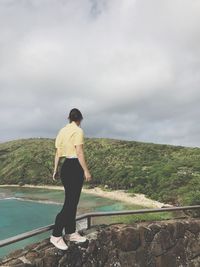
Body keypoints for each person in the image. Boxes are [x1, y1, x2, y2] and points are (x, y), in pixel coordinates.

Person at [50, 108, 92, 250]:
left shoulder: (62, 131)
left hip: (65, 167)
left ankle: (70, 232)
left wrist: (55, 170)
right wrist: (86, 170)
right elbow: (79, 151)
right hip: (74, 167)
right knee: (70, 204)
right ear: (80, 119)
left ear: (69, 118)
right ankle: (56, 235)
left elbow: (57, 153)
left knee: (72, 202)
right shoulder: (78, 131)